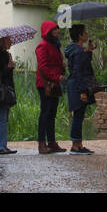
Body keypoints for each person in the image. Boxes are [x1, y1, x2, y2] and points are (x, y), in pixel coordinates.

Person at [64, 23, 98, 155]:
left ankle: (79, 144)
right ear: (79, 35)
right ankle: (75, 145)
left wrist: (88, 51)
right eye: (85, 32)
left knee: (79, 115)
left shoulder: (77, 50)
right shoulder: (77, 52)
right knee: (78, 115)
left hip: (75, 85)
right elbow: (79, 72)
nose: (87, 34)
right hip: (78, 86)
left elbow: (84, 64)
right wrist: (83, 91)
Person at [34, 19, 67, 154]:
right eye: (54, 29)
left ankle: (52, 142)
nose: (57, 31)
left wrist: (62, 68)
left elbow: (55, 63)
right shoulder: (43, 46)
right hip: (45, 84)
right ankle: (41, 143)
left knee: (52, 113)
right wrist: (56, 76)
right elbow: (43, 67)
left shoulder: (55, 46)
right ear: (48, 32)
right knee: (45, 113)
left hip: (54, 83)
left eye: (57, 28)